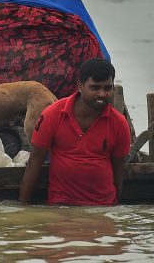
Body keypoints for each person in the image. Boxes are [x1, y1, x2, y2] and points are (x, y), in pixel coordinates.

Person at [19, 58, 131, 205]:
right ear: (80, 86)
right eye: (95, 88)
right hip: (61, 205)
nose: (102, 94)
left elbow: (118, 171)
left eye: (107, 88)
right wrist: (23, 207)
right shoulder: (53, 115)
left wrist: (115, 207)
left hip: (103, 206)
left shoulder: (119, 123)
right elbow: (34, 163)